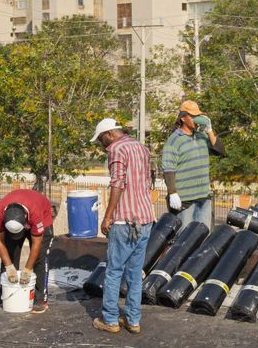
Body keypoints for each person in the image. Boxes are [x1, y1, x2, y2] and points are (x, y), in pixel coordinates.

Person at [90, 117, 155, 334]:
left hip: (124, 221)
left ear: (109, 134)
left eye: (101, 140)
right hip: (145, 219)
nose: (102, 144)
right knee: (135, 274)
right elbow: (148, 181)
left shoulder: (117, 149)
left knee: (114, 271)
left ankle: (110, 320)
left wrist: (107, 217)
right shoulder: (141, 148)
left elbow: (117, 184)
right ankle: (133, 320)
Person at [0, 188, 54, 314]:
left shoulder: (35, 213)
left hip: (42, 219)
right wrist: (9, 266)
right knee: (9, 254)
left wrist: (28, 269)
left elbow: (36, 244)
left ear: (25, 219)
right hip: (20, 218)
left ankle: (41, 298)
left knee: (40, 258)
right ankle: (4, 292)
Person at [162, 100, 214, 228]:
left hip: (203, 197)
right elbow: (168, 169)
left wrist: (210, 130)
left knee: (203, 236)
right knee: (184, 240)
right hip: (184, 200)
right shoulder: (174, 140)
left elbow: (219, 150)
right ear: (183, 118)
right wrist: (172, 193)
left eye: (198, 116)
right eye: (193, 116)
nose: (196, 119)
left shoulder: (202, 136)